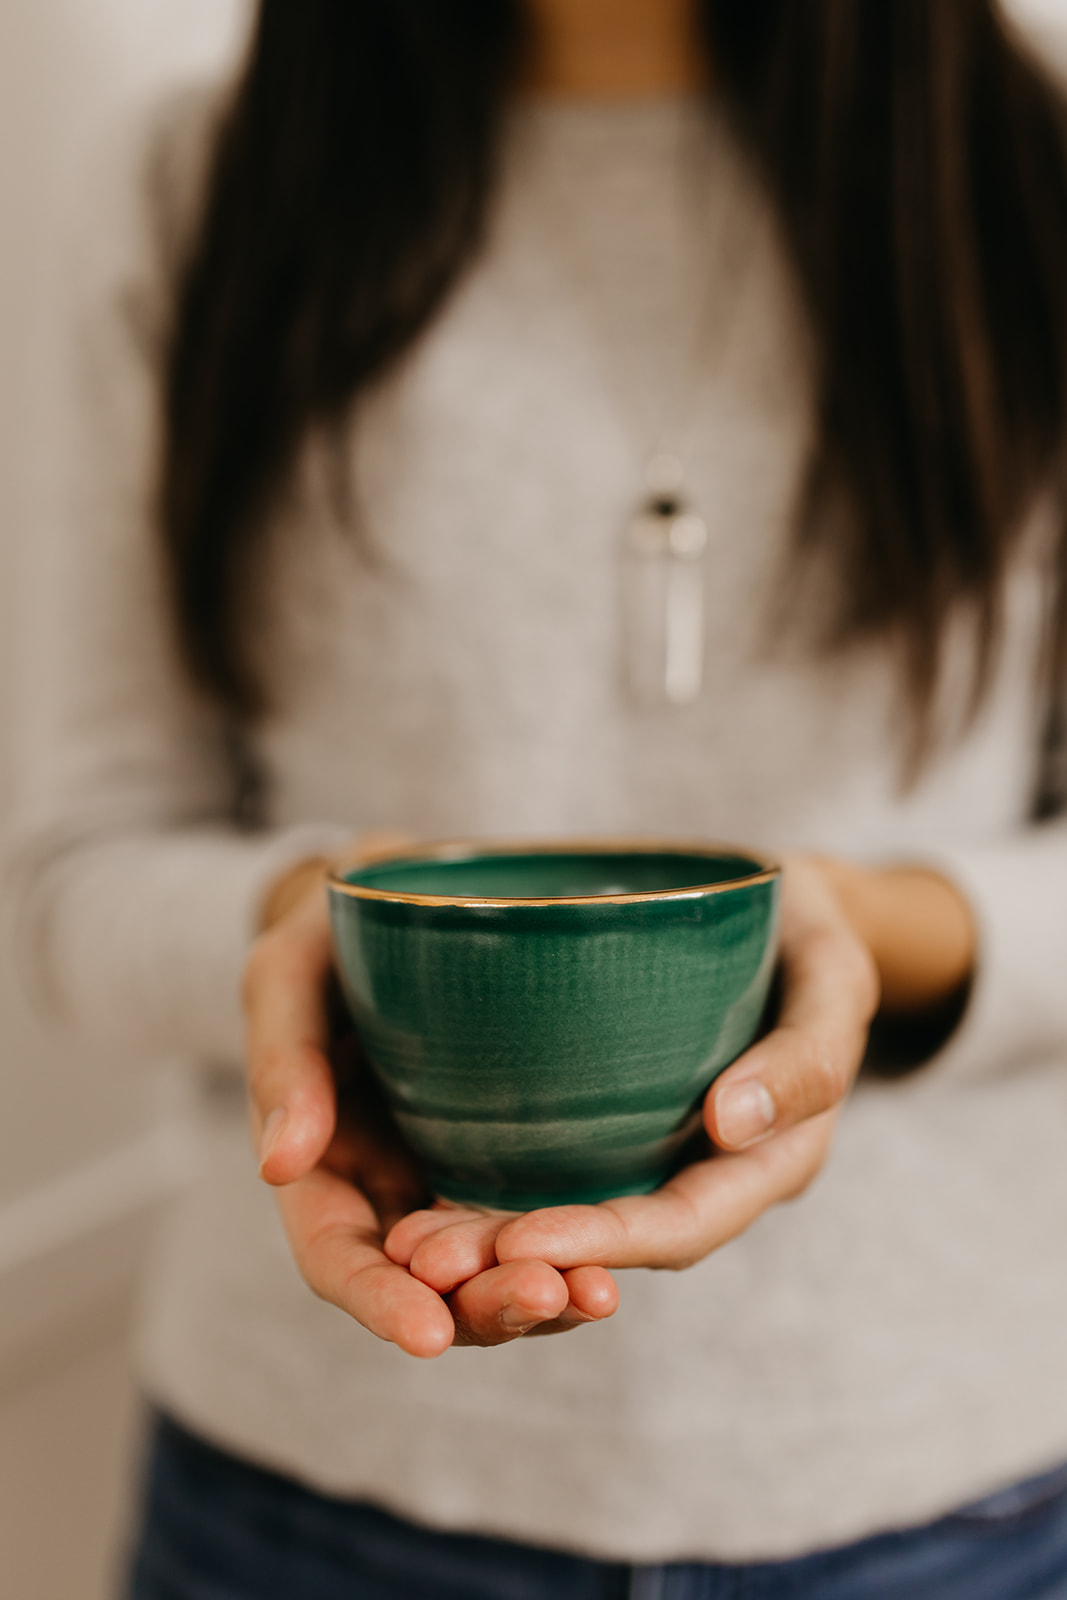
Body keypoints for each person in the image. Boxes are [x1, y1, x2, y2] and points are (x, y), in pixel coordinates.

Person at [13, 0, 1067, 1594]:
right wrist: (317, 921)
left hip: (950, 1499)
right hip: (309, 1496)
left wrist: (869, 933)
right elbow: (80, 881)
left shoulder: (1031, 171)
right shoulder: (195, 183)